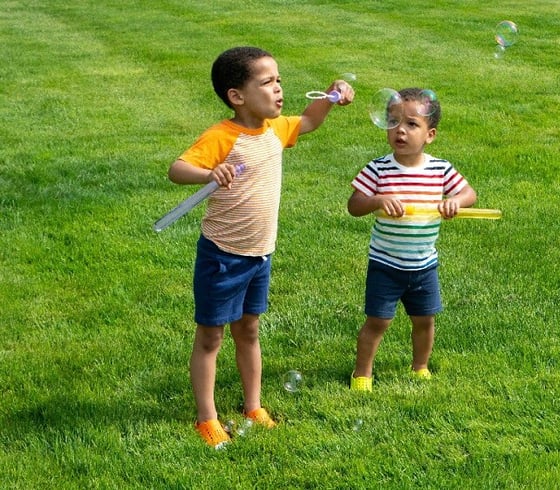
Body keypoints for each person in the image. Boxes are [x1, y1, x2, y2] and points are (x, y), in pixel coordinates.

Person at [167, 46, 354, 448]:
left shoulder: (275, 129)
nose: (279, 88)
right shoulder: (222, 137)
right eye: (267, 82)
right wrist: (208, 173)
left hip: (259, 254)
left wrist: (331, 95)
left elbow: (308, 120)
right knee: (210, 337)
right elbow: (177, 169)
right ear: (237, 96)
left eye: (279, 80)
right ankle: (207, 418)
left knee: (249, 330)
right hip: (223, 256)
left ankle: (253, 406)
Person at [347, 88, 477, 392]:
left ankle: (420, 367)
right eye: (393, 122)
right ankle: (362, 374)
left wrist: (455, 201)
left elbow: (469, 193)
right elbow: (354, 205)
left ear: (430, 135)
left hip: (424, 265)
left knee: (425, 320)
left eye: (411, 124)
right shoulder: (378, 169)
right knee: (378, 322)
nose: (400, 130)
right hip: (385, 264)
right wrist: (378, 200)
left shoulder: (440, 169)